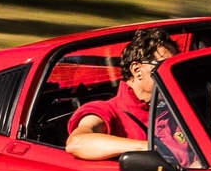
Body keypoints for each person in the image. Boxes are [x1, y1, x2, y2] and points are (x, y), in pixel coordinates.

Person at [64, 28, 176, 160]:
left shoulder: (176, 109)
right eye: (165, 65)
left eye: (174, 66)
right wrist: (148, 148)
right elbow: (77, 143)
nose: (173, 73)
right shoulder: (107, 110)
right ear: (137, 70)